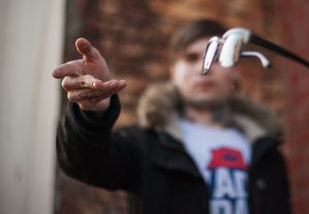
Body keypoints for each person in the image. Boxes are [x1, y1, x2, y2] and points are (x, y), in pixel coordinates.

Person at [52, 19, 291, 214]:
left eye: (216, 58)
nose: (202, 68)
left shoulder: (266, 150)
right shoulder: (146, 143)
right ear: (173, 72)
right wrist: (91, 114)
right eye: (191, 58)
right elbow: (81, 162)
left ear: (235, 70)